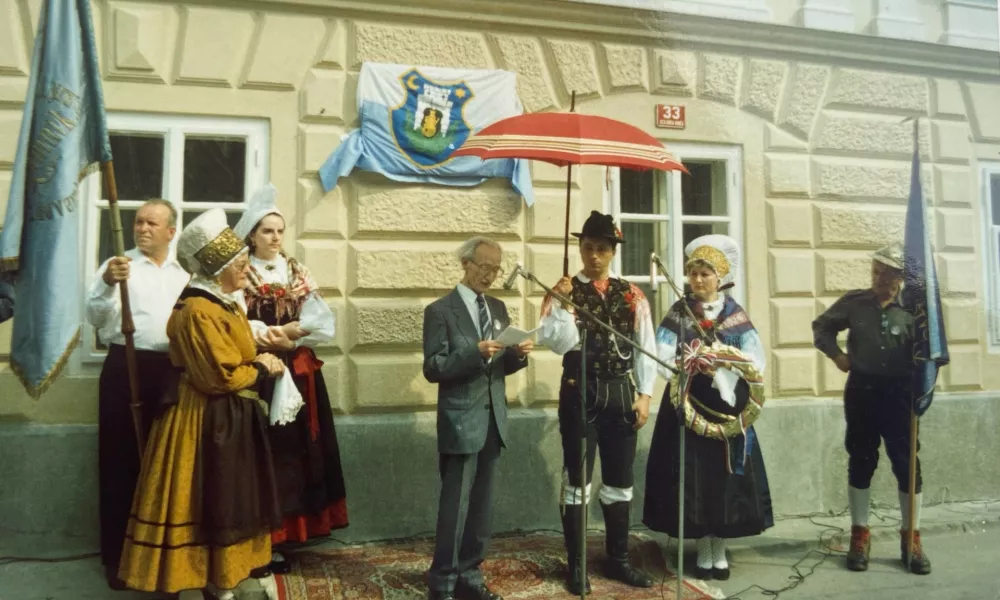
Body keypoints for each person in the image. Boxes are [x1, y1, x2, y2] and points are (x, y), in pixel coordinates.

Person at [117, 208, 286, 600]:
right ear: (219, 269)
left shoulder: (222, 303)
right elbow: (219, 376)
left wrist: (258, 360)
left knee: (224, 501)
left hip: (223, 416)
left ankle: (220, 578)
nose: (246, 272)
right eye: (240, 265)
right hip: (200, 420)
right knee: (204, 498)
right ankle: (200, 579)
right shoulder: (197, 310)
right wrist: (260, 367)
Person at [538, 211, 656, 595]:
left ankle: (618, 560)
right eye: (588, 248)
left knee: (620, 483)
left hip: (621, 395)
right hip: (579, 396)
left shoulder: (632, 295)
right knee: (578, 484)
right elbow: (557, 343)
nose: (594, 256)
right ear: (580, 248)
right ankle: (577, 566)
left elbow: (645, 346)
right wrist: (561, 304)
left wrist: (645, 394)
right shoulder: (564, 290)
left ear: (613, 252)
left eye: (602, 249)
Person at [642, 234, 773, 581]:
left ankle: (720, 546)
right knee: (694, 477)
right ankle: (703, 545)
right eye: (693, 274)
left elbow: (756, 361)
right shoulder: (679, 312)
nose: (697, 281)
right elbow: (660, 355)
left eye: (705, 274)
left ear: (720, 277)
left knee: (723, 477)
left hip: (727, 408)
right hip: (686, 406)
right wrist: (690, 362)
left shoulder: (735, 315)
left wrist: (727, 362)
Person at [233, 184, 348, 574]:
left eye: (280, 230)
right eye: (267, 230)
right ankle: (258, 540)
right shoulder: (239, 272)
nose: (275, 237)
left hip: (297, 372)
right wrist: (267, 335)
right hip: (260, 372)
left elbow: (322, 321)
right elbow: (232, 322)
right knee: (263, 455)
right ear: (251, 234)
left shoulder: (297, 271)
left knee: (297, 453)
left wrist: (296, 333)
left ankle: (291, 535)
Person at [84, 199, 189, 589]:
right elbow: (95, 318)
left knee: (166, 466)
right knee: (120, 463)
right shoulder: (118, 266)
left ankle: (163, 558)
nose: (142, 228)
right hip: (124, 368)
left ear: (170, 232)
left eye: (151, 223)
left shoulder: (184, 272)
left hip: (172, 372)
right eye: (138, 222)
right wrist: (108, 284)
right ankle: (117, 560)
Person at [422, 237, 533, 600]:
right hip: (460, 420)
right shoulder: (440, 311)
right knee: (455, 506)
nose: (489, 275)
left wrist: (518, 354)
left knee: (483, 505)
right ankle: (443, 581)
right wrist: (474, 352)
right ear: (465, 263)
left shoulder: (499, 308)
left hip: (493, 420)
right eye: (483, 267)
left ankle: (470, 573)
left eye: (496, 269)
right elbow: (433, 368)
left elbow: (499, 368)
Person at [812, 243, 930, 575]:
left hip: (900, 395)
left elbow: (933, 346)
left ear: (900, 277)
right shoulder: (855, 302)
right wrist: (837, 355)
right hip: (862, 391)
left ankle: (911, 538)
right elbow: (821, 327)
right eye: (875, 271)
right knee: (861, 459)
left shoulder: (916, 309)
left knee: (907, 464)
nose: (878, 279)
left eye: (886, 273)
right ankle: (860, 535)